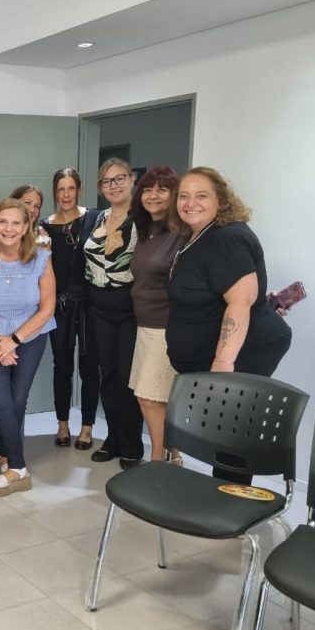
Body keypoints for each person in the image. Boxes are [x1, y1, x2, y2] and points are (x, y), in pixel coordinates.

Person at [166, 167, 291, 376]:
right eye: (183, 196)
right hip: (202, 360)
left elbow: (241, 302)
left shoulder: (225, 238)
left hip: (233, 362)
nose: (190, 203)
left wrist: (222, 366)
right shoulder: (199, 234)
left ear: (221, 201)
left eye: (201, 196)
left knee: (228, 411)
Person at [0, 198, 56, 496]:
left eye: (16, 222)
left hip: (30, 338)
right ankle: (19, 468)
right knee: (0, 400)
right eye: (2, 222)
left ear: (26, 227)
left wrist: (13, 340)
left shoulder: (42, 258)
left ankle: (9, 457)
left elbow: (47, 308)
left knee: (18, 399)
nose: (9, 228)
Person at [83, 158, 145, 470]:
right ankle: (113, 438)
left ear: (132, 180)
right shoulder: (97, 218)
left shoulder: (144, 219)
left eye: (120, 178)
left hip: (130, 308)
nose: (114, 185)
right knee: (106, 375)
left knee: (127, 378)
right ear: (100, 187)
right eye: (107, 181)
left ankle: (132, 443)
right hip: (98, 306)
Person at [128, 166, 186, 463]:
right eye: (148, 189)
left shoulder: (181, 232)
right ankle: (171, 457)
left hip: (166, 327)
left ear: (174, 194)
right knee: (150, 396)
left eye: (162, 189)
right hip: (145, 326)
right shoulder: (147, 230)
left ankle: (158, 461)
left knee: (151, 397)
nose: (153, 195)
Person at [40, 168, 100, 451]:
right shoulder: (44, 226)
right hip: (58, 306)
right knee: (61, 365)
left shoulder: (94, 218)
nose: (66, 194)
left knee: (89, 366)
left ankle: (87, 426)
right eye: (60, 189)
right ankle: (62, 424)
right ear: (55, 192)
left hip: (89, 304)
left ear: (79, 189)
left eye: (71, 188)